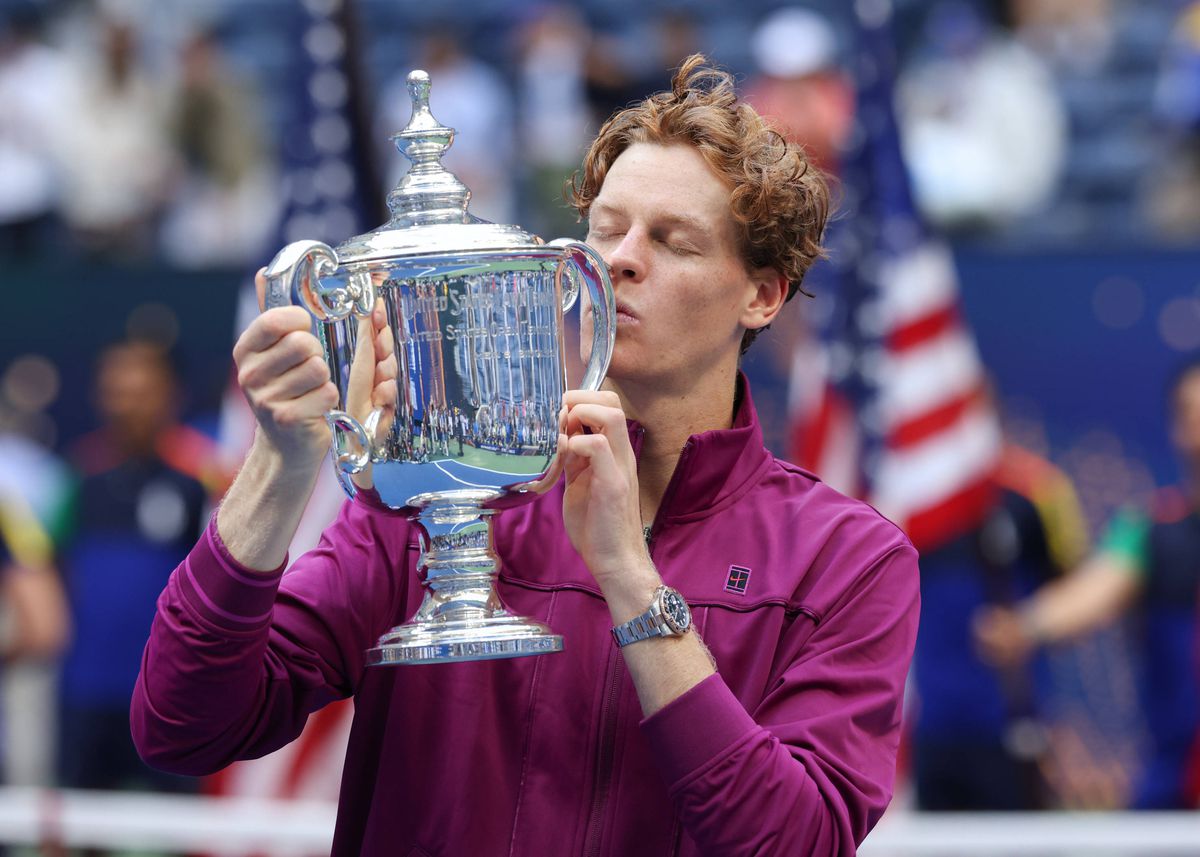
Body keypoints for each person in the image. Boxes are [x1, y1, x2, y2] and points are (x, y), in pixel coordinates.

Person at [132, 56, 920, 856]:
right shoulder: (434, 498)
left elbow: (792, 843)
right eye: (607, 229)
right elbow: (181, 724)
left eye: (673, 241)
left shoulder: (849, 559)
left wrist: (628, 576)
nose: (622, 259)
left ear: (762, 294)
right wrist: (283, 459)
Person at [975, 356, 1200, 808]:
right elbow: (1097, 588)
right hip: (1176, 795)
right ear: (1179, 427)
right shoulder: (1152, 530)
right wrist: (1023, 626)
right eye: (1194, 414)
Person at [58, 339, 217, 796]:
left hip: (171, 696)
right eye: (116, 390)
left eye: (141, 390)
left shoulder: (201, 475)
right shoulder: (78, 475)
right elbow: (50, 567)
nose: (127, 403)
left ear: (171, 395)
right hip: (85, 692)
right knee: (79, 826)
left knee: (179, 824)